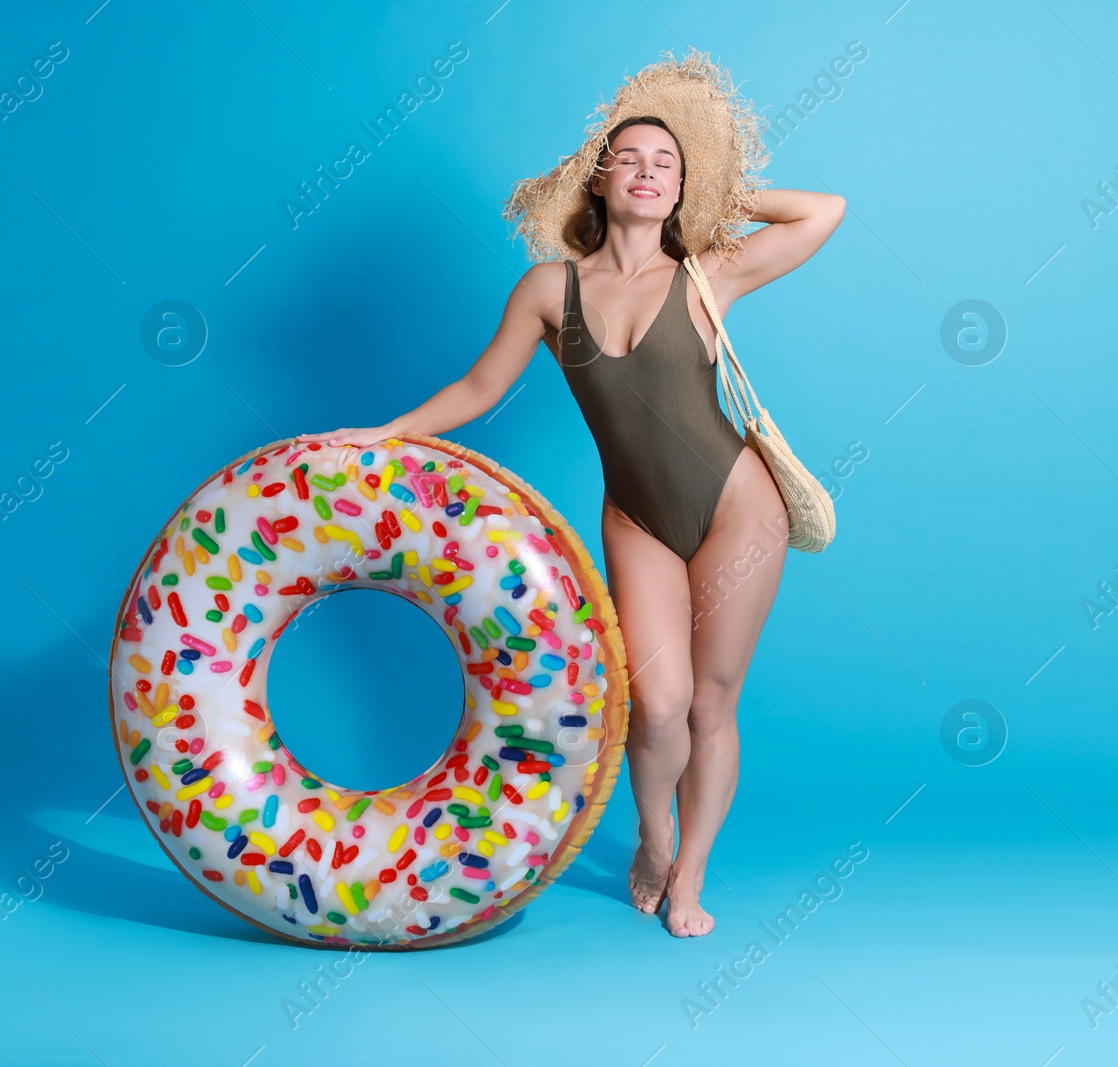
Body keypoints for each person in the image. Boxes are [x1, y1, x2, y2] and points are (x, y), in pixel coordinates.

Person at [298, 50, 844, 937]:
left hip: (740, 506)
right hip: (637, 516)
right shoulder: (550, 289)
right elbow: (478, 391)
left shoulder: (709, 271)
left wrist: (712, 198)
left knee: (711, 700)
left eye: (665, 164)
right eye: (629, 158)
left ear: (681, 189)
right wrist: (385, 433)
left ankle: (692, 877)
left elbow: (826, 211)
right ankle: (653, 838)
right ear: (597, 179)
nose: (647, 173)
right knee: (654, 704)